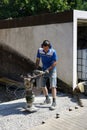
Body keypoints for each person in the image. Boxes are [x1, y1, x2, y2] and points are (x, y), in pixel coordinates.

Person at [35, 40, 58, 110]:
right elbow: (38, 59)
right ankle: (47, 99)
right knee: (42, 85)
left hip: (52, 70)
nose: (45, 50)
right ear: (42, 46)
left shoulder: (53, 52)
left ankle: (54, 102)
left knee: (53, 86)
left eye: (47, 48)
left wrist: (49, 69)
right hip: (44, 69)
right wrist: (36, 67)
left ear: (49, 47)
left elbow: (55, 63)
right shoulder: (39, 50)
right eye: (44, 48)